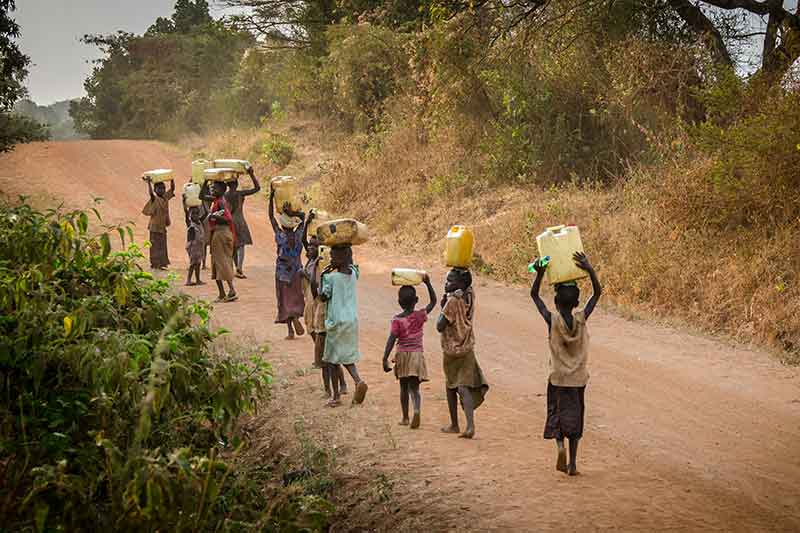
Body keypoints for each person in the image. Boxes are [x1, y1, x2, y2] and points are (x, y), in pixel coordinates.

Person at [530, 251, 602, 476]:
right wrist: (589, 269)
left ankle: (559, 446)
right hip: (578, 380)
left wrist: (539, 274)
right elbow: (597, 294)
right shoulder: (581, 319)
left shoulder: (552, 320)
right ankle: (572, 464)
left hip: (558, 378)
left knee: (557, 414)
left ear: (555, 301)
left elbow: (534, 296)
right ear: (577, 302)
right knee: (576, 419)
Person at [437, 268, 489, 439]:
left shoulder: (452, 302)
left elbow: (440, 325)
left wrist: (444, 303)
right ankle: (470, 425)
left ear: (459, 284)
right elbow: (469, 287)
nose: (446, 283)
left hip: (452, 351)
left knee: (451, 386)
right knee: (463, 386)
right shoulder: (469, 295)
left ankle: (455, 424)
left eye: (450, 281)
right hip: (467, 347)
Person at [302, 213, 348, 398]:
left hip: (320, 311)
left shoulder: (320, 265)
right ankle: (336, 386)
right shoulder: (312, 261)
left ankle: (335, 388)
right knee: (326, 353)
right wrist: (306, 222)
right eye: (309, 246)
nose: (309, 248)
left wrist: (307, 274)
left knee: (326, 354)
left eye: (313, 246)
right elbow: (303, 242)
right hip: (312, 309)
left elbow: (316, 290)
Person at [382, 275, 437, 429]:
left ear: (399, 302)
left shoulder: (397, 320)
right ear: (417, 300)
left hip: (403, 356)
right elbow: (433, 301)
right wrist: (428, 283)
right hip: (417, 355)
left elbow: (391, 339)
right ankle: (417, 410)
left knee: (403, 388)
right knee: (415, 388)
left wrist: (385, 358)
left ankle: (405, 417)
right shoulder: (420, 315)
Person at [319, 245, 368, 407]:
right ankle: (357, 381)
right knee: (345, 356)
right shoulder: (354, 273)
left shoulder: (331, 278)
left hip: (336, 322)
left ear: (340, 258)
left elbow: (323, 296)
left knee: (333, 361)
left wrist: (322, 275)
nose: (331, 259)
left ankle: (336, 397)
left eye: (333, 256)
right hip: (351, 321)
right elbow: (352, 265)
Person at [268, 183, 306, 339]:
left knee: (284, 298)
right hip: (297, 269)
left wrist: (271, 197)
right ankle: (295, 315)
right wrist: (294, 212)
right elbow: (304, 219)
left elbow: (270, 217)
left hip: (282, 271)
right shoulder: (298, 235)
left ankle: (290, 329)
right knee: (296, 296)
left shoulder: (280, 235)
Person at [200, 180, 238, 302]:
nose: (212, 190)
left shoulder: (221, 202)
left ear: (222, 190)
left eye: (215, 188)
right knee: (217, 263)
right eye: (212, 188)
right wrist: (205, 182)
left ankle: (231, 291)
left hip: (222, 233)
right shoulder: (216, 200)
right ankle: (222, 293)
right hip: (217, 234)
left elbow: (228, 219)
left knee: (223, 262)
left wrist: (214, 216)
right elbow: (201, 196)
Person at [225, 167, 261, 278]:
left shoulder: (224, 195)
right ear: (236, 184)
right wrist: (251, 174)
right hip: (239, 220)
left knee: (234, 245)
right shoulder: (240, 194)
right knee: (241, 245)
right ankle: (239, 268)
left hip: (229, 221)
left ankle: (235, 268)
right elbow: (257, 188)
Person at [141, 177, 175, 270]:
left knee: (162, 245)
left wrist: (171, 179)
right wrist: (148, 183)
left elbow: (172, 189)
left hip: (162, 226)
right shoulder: (154, 199)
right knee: (155, 245)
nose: (162, 190)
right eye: (159, 188)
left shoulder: (165, 198)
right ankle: (155, 263)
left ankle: (161, 263)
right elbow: (150, 193)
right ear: (155, 190)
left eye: (163, 188)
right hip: (154, 227)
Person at [184, 206, 207, 286]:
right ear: (190, 215)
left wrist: (203, 203)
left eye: (197, 213)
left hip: (199, 246)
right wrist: (184, 205)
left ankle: (197, 280)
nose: (196, 215)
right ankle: (188, 280)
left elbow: (206, 214)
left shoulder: (199, 222)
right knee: (193, 263)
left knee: (198, 263)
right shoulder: (191, 224)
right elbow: (186, 215)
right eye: (193, 214)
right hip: (193, 246)